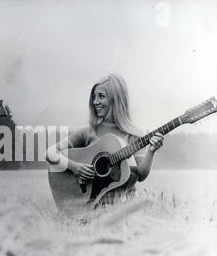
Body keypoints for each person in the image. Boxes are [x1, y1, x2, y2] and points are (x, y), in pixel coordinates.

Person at [46, 74, 164, 205]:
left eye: (101, 96)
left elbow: (140, 175)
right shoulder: (88, 132)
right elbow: (50, 153)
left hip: (122, 208)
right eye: (94, 97)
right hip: (90, 205)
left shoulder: (134, 135)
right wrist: (75, 167)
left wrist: (151, 151)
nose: (95, 102)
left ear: (116, 100)